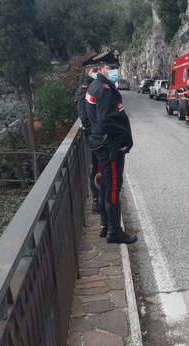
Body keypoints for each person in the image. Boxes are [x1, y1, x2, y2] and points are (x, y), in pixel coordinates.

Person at [85, 50, 137, 244]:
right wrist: (124, 140)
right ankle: (114, 232)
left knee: (107, 185)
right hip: (110, 145)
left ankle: (106, 226)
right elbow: (108, 120)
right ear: (101, 69)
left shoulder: (96, 86)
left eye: (116, 67)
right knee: (113, 186)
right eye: (111, 68)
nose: (114, 71)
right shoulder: (104, 91)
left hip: (101, 142)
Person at [75, 54, 102, 214]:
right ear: (87, 71)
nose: (96, 72)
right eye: (93, 70)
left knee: (100, 167)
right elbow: (85, 118)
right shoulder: (84, 91)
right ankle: (96, 199)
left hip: (99, 136)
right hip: (94, 138)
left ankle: (100, 196)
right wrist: (95, 136)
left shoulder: (97, 87)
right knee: (96, 167)